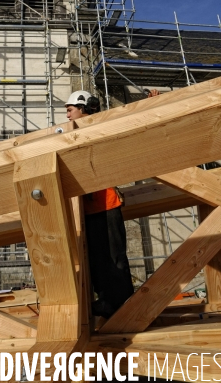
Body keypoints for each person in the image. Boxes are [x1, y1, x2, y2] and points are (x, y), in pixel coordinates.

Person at [65, 90, 135, 319]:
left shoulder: (98, 128)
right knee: (96, 260)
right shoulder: (71, 134)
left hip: (106, 205)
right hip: (87, 209)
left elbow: (129, 125)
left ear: (84, 108)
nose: (67, 115)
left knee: (114, 258)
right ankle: (106, 303)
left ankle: (123, 306)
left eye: (70, 109)